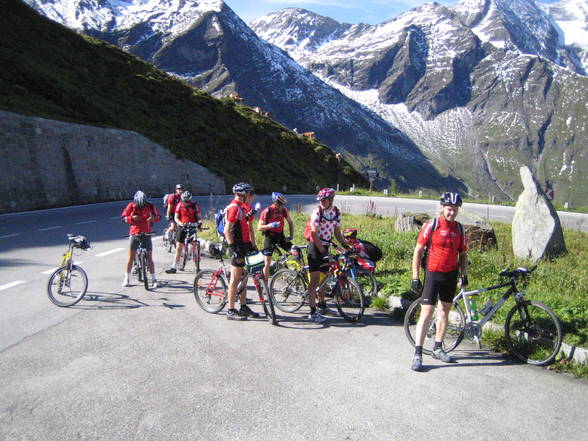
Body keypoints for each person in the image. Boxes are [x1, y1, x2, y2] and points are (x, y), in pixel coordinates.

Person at [410, 191, 468, 371]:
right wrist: (415, 277)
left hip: (450, 275)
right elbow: (418, 251)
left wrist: (463, 274)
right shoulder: (432, 225)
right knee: (427, 313)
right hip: (433, 274)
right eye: (450, 209)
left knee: (444, 312)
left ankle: (438, 347)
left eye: (455, 209)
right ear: (443, 208)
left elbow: (463, 254)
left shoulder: (459, 229)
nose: (452, 212)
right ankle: (418, 354)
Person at [305, 187, 347, 323]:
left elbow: (337, 233)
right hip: (315, 248)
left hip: (325, 247)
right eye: (321, 200)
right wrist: (323, 251)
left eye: (325, 200)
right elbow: (313, 233)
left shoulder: (335, 213)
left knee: (324, 278)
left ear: (331, 200)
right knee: (315, 280)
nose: (322, 202)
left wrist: (346, 246)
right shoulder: (317, 212)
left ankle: (322, 305)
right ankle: (312, 312)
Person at [224, 182, 260, 320]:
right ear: (243, 194)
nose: (251, 196)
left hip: (244, 245)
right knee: (235, 279)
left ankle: (243, 306)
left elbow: (247, 226)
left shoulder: (243, 207)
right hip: (237, 246)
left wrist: (252, 244)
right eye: (249, 193)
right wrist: (233, 249)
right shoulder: (234, 208)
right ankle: (230, 310)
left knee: (244, 278)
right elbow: (227, 230)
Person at [121, 190, 161, 288]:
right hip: (134, 232)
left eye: (143, 205)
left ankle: (154, 279)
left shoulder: (150, 206)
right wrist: (132, 218)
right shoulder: (131, 205)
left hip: (147, 232)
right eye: (139, 206)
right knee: (130, 256)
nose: (141, 207)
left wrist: (153, 219)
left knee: (150, 257)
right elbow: (124, 218)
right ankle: (126, 278)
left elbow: (159, 217)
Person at [258, 192, 294, 281]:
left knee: (295, 251)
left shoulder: (283, 210)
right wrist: (270, 225)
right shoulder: (268, 211)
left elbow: (290, 222)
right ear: (275, 202)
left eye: (282, 204)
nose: (282, 205)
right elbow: (259, 227)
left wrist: (291, 235)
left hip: (280, 236)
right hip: (270, 237)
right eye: (280, 204)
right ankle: (265, 284)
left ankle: (296, 275)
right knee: (267, 261)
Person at [165, 191, 201, 274]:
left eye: (188, 201)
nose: (186, 202)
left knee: (195, 246)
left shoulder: (194, 205)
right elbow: (176, 218)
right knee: (178, 247)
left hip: (192, 226)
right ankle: (173, 267)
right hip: (182, 227)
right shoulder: (179, 205)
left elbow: (198, 216)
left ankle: (197, 266)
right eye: (185, 201)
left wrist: (199, 222)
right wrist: (182, 224)